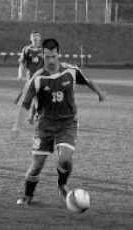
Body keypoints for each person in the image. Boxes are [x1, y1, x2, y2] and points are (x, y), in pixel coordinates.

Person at [11, 38, 105, 206]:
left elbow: (87, 80)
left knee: (65, 160)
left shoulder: (71, 71)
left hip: (67, 124)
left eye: (54, 56)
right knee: (37, 165)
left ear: (59, 54)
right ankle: (27, 195)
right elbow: (25, 105)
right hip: (45, 125)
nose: (51, 60)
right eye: (47, 57)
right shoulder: (37, 78)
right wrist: (17, 127)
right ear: (43, 56)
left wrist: (99, 93)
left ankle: (62, 185)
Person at [15, 31, 43, 124]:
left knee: (38, 98)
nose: (35, 38)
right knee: (31, 99)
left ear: (40, 38)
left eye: (37, 36)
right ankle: (31, 117)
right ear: (30, 38)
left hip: (42, 78)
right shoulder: (26, 49)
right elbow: (22, 64)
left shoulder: (44, 49)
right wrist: (20, 75)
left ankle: (32, 117)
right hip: (30, 78)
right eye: (33, 36)